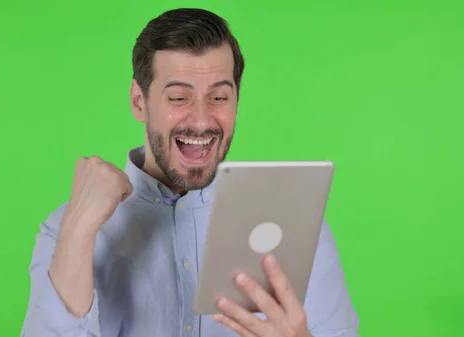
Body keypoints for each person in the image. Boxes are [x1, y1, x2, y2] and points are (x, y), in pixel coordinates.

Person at [20, 8, 360, 337]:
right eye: (179, 97)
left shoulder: (297, 224)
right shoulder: (66, 231)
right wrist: (79, 232)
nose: (201, 120)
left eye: (219, 97)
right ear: (139, 102)